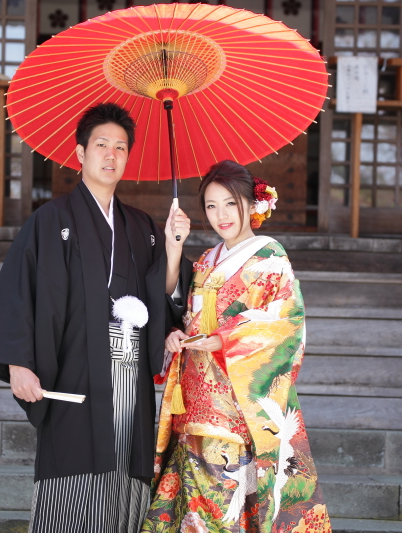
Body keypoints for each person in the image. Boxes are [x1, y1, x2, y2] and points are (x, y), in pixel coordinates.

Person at [0, 102, 192, 533]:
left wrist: (174, 247)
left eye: (121, 147)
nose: (112, 155)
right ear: (80, 153)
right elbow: (21, 292)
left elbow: (163, 294)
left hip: (129, 373)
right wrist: (18, 362)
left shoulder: (144, 226)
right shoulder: (50, 221)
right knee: (71, 478)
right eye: (102, 145)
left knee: (125, 473)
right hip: (72, 373)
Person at [142, 160, 332, 533]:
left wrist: (226, 337)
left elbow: (285, 322)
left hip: (235, 404)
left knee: (223, 502)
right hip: (194, 399)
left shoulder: (270, 257)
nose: (220, 215)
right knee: (192, 500)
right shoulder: (209, 260)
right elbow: (185, 312)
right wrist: (175, 332)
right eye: (211, 206)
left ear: (252, 203)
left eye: (230, 203)